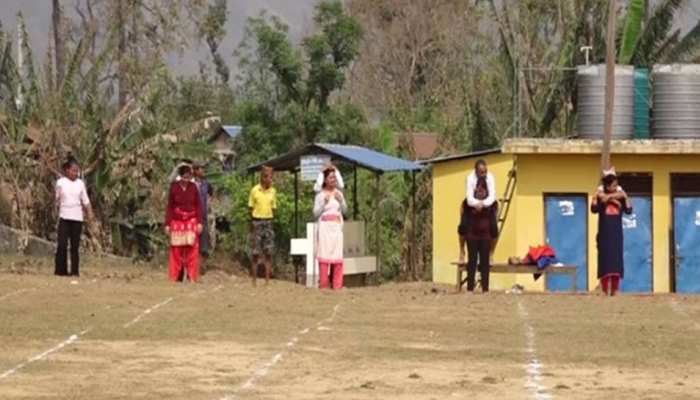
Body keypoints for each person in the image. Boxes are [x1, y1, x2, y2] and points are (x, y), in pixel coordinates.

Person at [591, 171, 632, 296]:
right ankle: (604, 289)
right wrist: (595, 198)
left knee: (616, 262)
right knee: (604, 262)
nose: (616, 187)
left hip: (617, 235)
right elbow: (594, 209)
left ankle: (615, 289)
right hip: (604, 235)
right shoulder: (600, 195)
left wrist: (623, 198)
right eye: (613, 185)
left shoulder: (620, 195)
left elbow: (629, 210)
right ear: (607, 186)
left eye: (616, 185)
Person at [165, 164, 203, 282]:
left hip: (191, 222)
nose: (186, 177)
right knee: (176, 250)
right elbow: (170, 206)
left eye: (188, 175)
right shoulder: (174, 187)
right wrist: (167, 224)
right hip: (177, 222)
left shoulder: (193, 187)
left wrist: (200, 223)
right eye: (184, 175)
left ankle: (192, 276)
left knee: (192, 250)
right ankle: (175, 276)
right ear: (180, 176)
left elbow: (199, 206)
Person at [458, 177, 497, 293]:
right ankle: (470, 288)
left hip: (485, 236)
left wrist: (483, 206)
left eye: (482, 189)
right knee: (472, 261)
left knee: (484, 262)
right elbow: (463, 220)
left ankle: (485, 289)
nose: (480, 191)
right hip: (472, 235)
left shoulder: (492, 203)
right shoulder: (467, 203)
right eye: (478, 189)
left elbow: (494, 221)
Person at [55, 158, 92, 277]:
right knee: (62, 245)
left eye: (77, 171)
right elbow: (57, 198)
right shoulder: (61, 182)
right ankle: (61, 270)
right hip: (64, 216)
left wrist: (90, 213)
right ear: (67, 170)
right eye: (73, 170)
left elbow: (85, 200)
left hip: (77, 218)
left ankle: (75, 271)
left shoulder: (80, 184)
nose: (75, 173)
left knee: (74, 246)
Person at [313, 167, 348, 289]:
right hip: (324, 229)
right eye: (330, 177)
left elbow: (344, 210)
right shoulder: (320, 195)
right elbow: (315, 213)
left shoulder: (339, 194)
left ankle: (337, 285)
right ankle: (324, 284)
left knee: (337, 256)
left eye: (334, 177)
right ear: (325, 180)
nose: (333, 179)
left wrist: (341, 201)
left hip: (337, 228)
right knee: (324, 255)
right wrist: (324, 203)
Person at [248, 166, 277, 286]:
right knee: (255, 252)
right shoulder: (254, 190)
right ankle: (254, 280)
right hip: (257, 221)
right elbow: (250, 207)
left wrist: (269, 219)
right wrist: (255, 221)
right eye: (267, 176)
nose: (269, 179)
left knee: (268, 251)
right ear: (262, 177)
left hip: (268, 222)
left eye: (271, 177)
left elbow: (274, 208)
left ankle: (267, 280)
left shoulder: (273, 191)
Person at [193, 162, 213, 258]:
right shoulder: (191, 183)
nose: (203, 171)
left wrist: (208, 204)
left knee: (204, 241)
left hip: (203, 215)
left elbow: (211, 193)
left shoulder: (206, 183)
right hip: (192, 215)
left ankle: (201, 265)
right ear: (196, 171)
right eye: (201, 169)